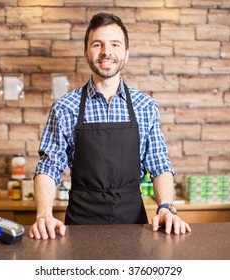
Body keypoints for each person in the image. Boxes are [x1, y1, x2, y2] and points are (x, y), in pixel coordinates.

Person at [29, 12, 191, 240]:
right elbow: (48, 166)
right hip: (80, 228)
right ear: (86, 53)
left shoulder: (146, 106)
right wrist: (43, 215)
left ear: (126, 52)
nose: (106, 52)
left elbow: (159, 163)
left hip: (134, 226)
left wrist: (166, 207)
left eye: (115, 44)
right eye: (98, 44)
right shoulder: (65, 107)